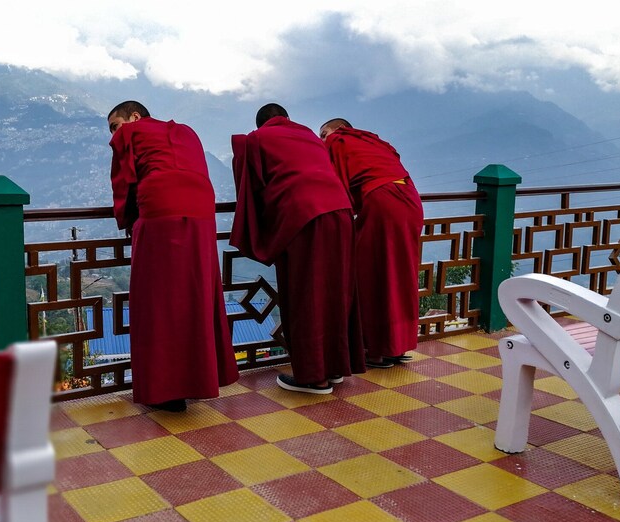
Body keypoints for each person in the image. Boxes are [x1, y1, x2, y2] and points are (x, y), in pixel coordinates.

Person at [107, 101, 239, 411]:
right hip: (203, 213)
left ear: (134, 117)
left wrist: (127, 220)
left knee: (159, 300)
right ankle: (199, 379)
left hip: (162, 209)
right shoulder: (185, 131)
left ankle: (168, 391)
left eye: (115, 126)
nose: (113, 135)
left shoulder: (132, 132)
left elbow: (123, 183)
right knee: (195, 294)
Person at [230, 103, 366, 393]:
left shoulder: (257, 139)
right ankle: (336, 368)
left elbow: (249, 184)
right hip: (341, 212)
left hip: (305, 216)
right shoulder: (309, 135)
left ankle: (314, 377)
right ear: (287, 119)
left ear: (260, 125)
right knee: (336, 291)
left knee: (305, 295)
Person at [319, 118, 425, 368]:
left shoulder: (338, 140)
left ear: (338, 130)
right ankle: (396, 345)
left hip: (382, 202)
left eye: (323, 134)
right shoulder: (374, 141)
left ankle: (376, 350)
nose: (322, 140)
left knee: (371, 275)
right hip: (410, 200)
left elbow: (337, 185)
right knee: (400, 275)